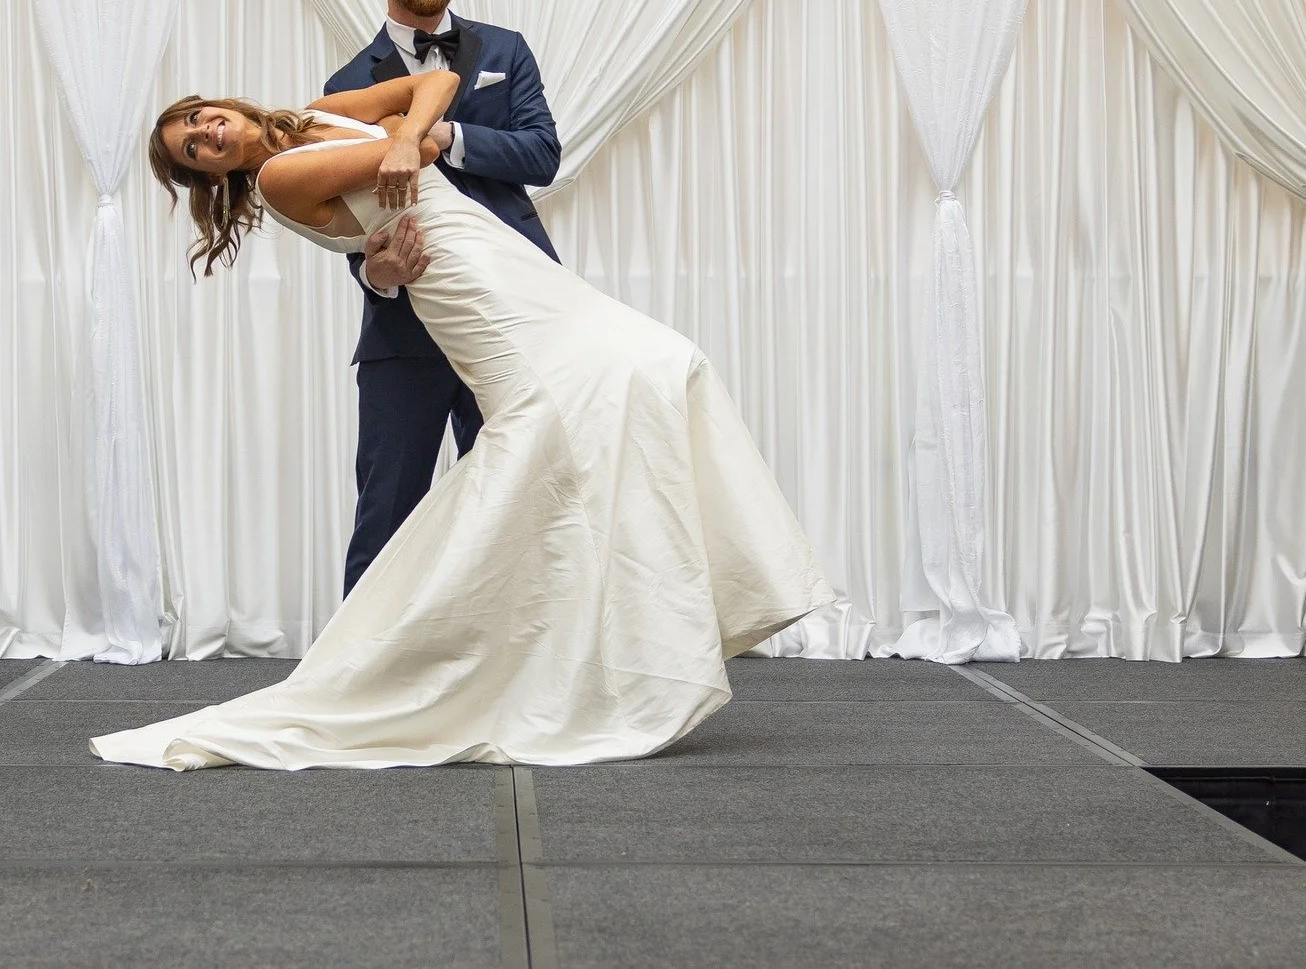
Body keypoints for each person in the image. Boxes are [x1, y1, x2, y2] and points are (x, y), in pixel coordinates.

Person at [91, 66, 833, 769]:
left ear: (217, 101)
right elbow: (397, 142)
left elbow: (435, 83)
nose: (206, 132)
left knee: (658, 366)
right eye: (192, 147)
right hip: (466, 287)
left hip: (513, 267)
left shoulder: (314, 115)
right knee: (579, 413)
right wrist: (406, 133)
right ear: (210, 176)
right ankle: (547, 658)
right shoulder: (279, 175)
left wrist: (410, 131)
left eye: (196, 116)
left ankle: (617, 639)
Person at [324, 0, 561, 595]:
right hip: (406, 332)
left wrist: (441, 137)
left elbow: (541, 153)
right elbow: (341, 219)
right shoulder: (345, 87)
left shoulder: (506, 51)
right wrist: (379, 274)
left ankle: (529, 683)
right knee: (387, 520)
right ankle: (355, 690)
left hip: (514, 316)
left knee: (529, 512)